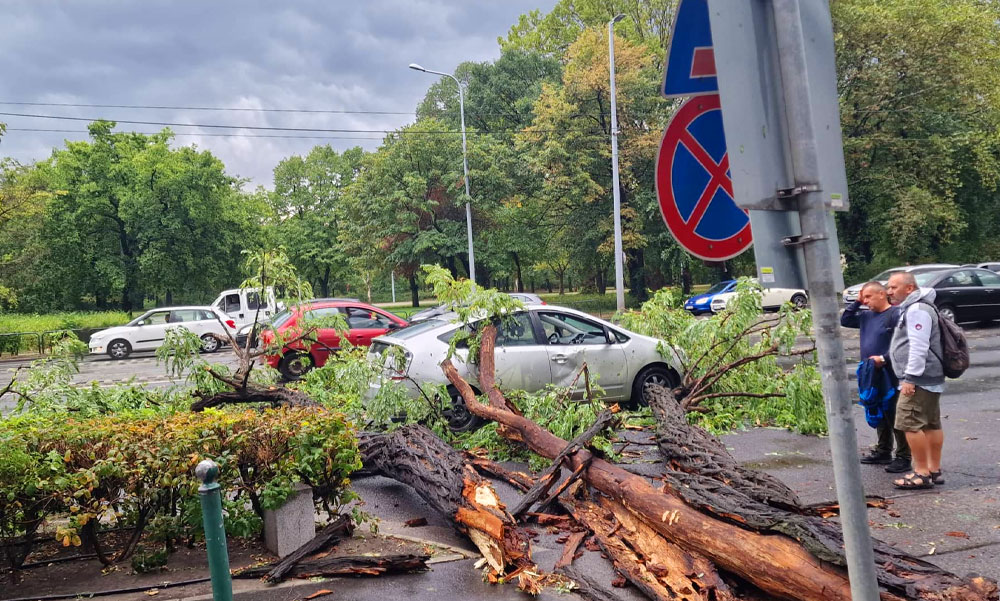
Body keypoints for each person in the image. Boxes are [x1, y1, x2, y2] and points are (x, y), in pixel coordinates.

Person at [841, 281, 910, 473]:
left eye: (868, 297)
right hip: (871, 371)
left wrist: (885, 358)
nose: (866, 301)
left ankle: (904, 456)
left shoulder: (895, 315)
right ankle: (883, 450)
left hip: (890, 371)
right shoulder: (866, 316)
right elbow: (845, 320)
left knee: (894, 412)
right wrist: (856, 302)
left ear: (882, 294)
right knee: (876, 408)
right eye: (864, 298)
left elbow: (905, 344)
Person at [886, 271, 945, 489]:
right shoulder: (916, 307)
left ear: (909, 288)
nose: (889, 291)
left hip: (918, 379)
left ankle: (921, 473)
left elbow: (919, 347)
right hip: (929, 376)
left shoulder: (918, 309)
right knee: (930, 423)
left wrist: (910, 378)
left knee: (909, 424)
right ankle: (934, 469)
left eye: (893, 287)